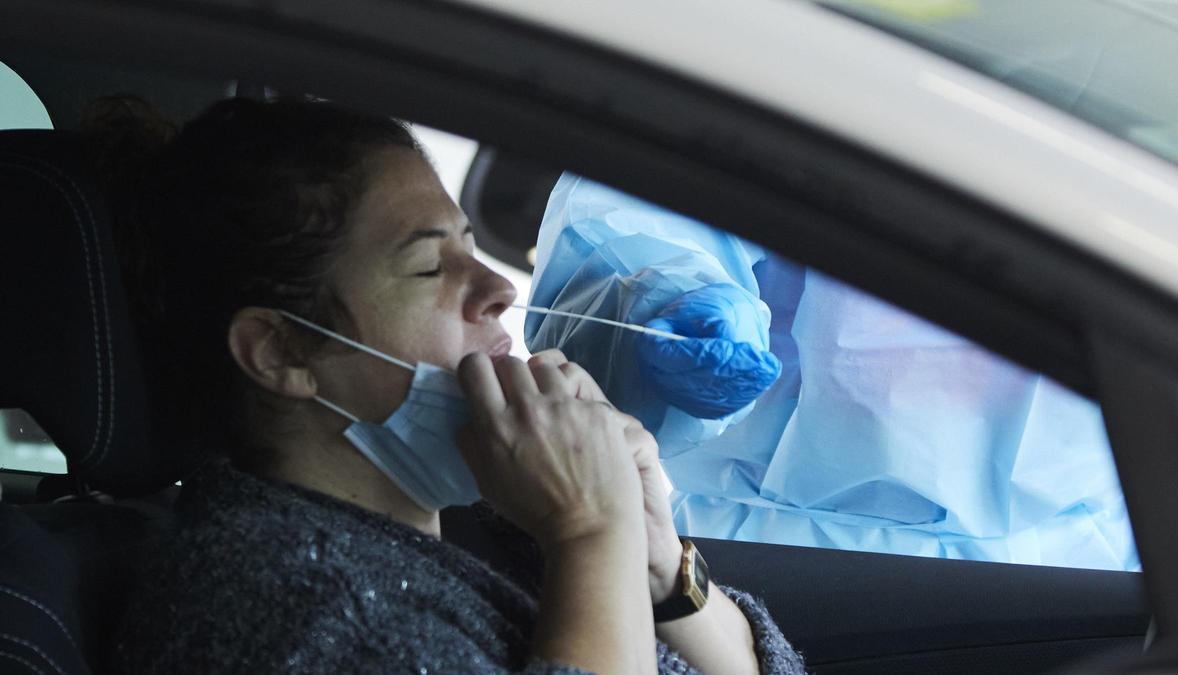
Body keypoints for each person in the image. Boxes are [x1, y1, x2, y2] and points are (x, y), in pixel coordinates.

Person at [85, 98, 803, 674]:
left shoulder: (495, 527)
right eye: (431, 267)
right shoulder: (273, 605)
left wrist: (654, 562)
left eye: (470, 244)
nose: (497, 286)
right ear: (280, 350)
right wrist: (592, 533)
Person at [525, 174, 1137, 572]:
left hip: (1088, 566)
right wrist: (667, 304)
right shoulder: (785, 44)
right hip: (780, 562)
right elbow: (630, 216)